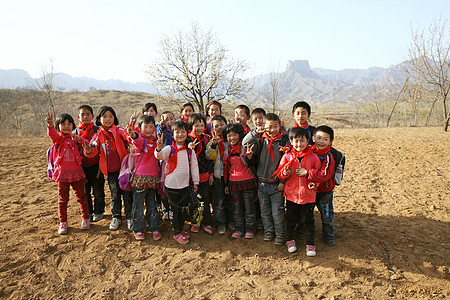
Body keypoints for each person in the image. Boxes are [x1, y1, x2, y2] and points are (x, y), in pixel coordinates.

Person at [83, 106, 133, 231]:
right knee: (114, 194)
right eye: (104, 116)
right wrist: (88, 149)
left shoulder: (119, 130)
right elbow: (93, 148)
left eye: (111, 116)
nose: (108, 119)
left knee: (127, 194)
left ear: (114, 118)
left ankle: (129, 217)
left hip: (124, 169)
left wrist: (131, 133)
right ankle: (116, 216)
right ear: (99, 119)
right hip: (110, 171)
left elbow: (127, 136)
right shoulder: (98, 134)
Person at [243, 113, 289, 245]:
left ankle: (280, 234)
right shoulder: (260, 140)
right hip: (262, 182)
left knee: (278, 211)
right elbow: (244, 143)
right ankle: (269, 231)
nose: (273, 130)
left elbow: (288, 164)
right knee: (265, 211)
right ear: (264, 126)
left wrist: (282, 181)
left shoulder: (284, 141)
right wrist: (256, 133)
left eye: (276, 126)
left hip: (277, 184)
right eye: (269, 127)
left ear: (280, 126)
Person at [276, 127, 321, 256]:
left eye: (302, 141)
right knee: (290, 219)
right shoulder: (287, 156)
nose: (299, 144)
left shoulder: (313, 158)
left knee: (308, 221)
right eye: (296, 141)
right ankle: (290, 240)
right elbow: (280, 173)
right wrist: (285, 173)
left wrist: (313, 183)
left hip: (308, 196)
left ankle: (310, 244)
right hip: (291, 195)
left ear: (308, 141)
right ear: (290, 141)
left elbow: (317, 175)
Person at [155, 120, 200, 244]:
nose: (180, 134)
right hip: (171, 185)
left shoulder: (190, 151)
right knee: (174, 210)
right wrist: (158, 148)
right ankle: (176, 232)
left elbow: (194, 167)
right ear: (172, 134)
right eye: (177, 132)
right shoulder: (169, 149)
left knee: (182, 209)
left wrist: (195, 182)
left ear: (187, 133)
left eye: (183, 131)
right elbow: (160, 156)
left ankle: (180, 229)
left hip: (185, 185)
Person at [46, 113, 90, 235]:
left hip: (77, 173)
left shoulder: (75, 139)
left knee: (81, 196)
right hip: (62, 174)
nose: (66, 126)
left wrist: (80, 139)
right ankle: (63, 222)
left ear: (73, 125)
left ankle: (86, 218)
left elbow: (86, 143)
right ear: (58, 126)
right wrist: (50, 125)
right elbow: (52, 134)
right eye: (63, 124)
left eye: (69, 124)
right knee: (62, 199)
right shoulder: (58, 139)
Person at [126, 115, 161, 241]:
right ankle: (138, 229)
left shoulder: (156, 139)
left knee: (152, 204)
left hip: (153, 179)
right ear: (140, 128)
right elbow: (137, 141)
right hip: (140, 178)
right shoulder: (141, 140)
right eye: (145, 127)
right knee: (138, 204)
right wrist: (133, 134)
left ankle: (154, 227)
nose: (148, 129)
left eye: (151, 126)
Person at [223, 123, 257, 239]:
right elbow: (226, 169)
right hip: (233, 184)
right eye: (229, 135)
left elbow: (252, 164)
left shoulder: (244, 148)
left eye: (235, 135)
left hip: (248, 182)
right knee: (237, 209)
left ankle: (250, 229)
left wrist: (249, 156)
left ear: (240, 135)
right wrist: (226, 185)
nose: (232, 138)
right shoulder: (227, 150)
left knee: (249, 209)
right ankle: (239, 229)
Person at [76, 105, 105, 222]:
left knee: (98, 191)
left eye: (88, 114)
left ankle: (99, 211)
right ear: (78, 117)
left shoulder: (98, 130)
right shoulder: (75, 132)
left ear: (92, 116)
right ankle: (88, 212)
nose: (85, 117)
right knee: (85, 191)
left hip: (96, 166)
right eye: (83, 114)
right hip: (81, 167)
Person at [309, 125, 336, 246]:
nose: (321, 142)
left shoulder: (329, 156)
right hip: (310, 190)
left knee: (326, 215)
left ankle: (328, 235)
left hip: (324, 191)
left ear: (331, 141)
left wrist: (307, 174)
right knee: (307, 214)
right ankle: (308, 233)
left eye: (325, 139)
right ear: (313, 138)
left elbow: (324, 175)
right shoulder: (309, 151)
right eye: (319, 138)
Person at [205, 115, 233, 234]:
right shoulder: (212, 141)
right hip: (217, 176)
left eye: (222, 124)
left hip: (231, 176)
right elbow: (208, 156)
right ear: (212, 129)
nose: (220, 127)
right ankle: (221, 223)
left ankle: (231, 221)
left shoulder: (231, 140)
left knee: (231, 201)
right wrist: (214, 145)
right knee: (219, 201)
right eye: (216, 126)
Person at [187, 113, 214, 234]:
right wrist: (189, 148)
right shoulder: (188, 139)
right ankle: (195, 222)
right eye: (196, 125)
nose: (199, 128)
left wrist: (211, 173)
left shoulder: (207, 139)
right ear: (191, 126)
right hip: (192, 177)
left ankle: (207, 223)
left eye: (201, 125)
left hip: (205, 175)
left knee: (205, 200)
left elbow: (211, 158)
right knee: (194, 201)